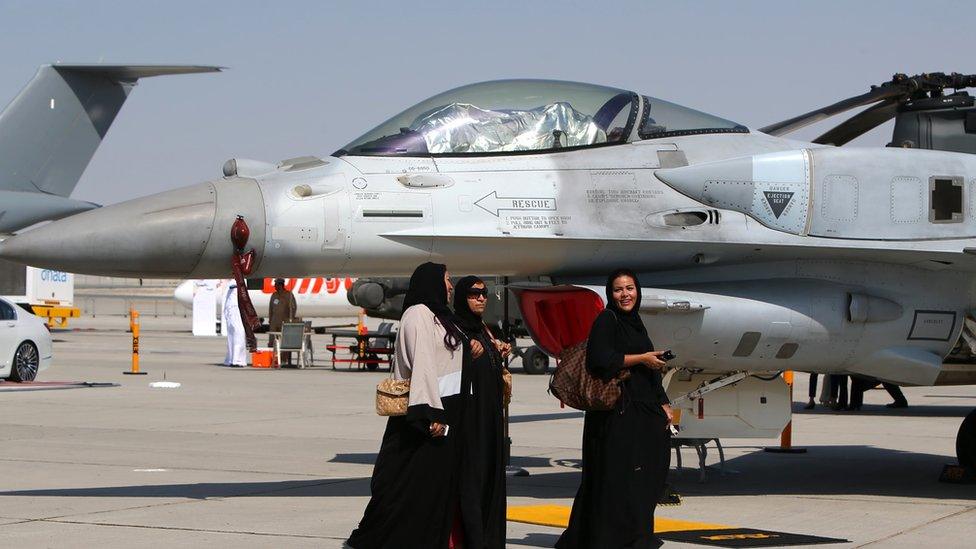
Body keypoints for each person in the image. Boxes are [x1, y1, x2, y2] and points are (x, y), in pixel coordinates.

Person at [347, 262, 472, 549]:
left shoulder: (442, 316)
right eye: (447, 279)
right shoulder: (418, 314)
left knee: (432, 487)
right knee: (403, 485)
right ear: (432, 282)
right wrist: (430, 413)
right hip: (423, 413)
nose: (451, 285)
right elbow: (424, 363)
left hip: (445, 409)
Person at [557, 268, 673, 549]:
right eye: (619, 290)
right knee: (617, 479)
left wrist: (664, 403)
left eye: (630, 288)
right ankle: (612, 538)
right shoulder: (606, 321)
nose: (625, 295)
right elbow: (601, 359)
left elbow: (650, 373)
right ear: (610, 294)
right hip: (617, 414)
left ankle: (637, 535)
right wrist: (641, 358)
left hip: (643, 413)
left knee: (646, 477)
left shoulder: (635, 323)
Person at [454, 276, 509, 549]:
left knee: (491, 481)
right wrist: (464, 352)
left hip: (491, 419)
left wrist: (497, 349)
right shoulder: (456, 330)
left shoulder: (483, 330)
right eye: (474, 294)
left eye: (484, 293)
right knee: (472, 484)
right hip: (470, 422)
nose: (481, 298)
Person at [268, 278, 298, 365]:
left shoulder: (288, 295)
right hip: (274, 322)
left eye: (276, 285)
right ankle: (273, 359)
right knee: (272, 341)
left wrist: (290, 319)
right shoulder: (274, 295)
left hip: (284, 321)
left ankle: (284, 360)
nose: (275, 287)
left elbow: (293, 308)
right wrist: (270, 320)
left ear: (280, 285)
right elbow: (270, 309)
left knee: (285, 342)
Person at [222, 281, 247, 367]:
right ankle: (236, 360)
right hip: (235, 311)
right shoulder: (234, 292)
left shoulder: (230, 294)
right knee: (238, 334)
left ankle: (233, 359)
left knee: (235, 335)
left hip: (234, 311)